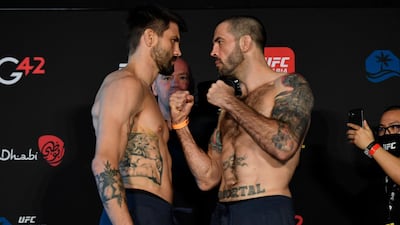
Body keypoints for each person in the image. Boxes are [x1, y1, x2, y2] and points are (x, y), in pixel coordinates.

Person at [169, 15, 314, 225]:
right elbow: (207, 178)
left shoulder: (288, 86)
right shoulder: (231, 107)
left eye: (219, 42)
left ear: (245, 43)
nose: (213, 52)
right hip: (222, 214)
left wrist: (229, 101)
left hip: (264, 209)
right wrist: (180, 124)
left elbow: (284, 145)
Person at [90, 4, 186, 225]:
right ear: (150, 37)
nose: (178, 51)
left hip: (154, 210)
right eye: (173, 40)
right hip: (135, 209)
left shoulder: (143, 91)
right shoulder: (125, 84)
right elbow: (103, 161)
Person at [152, 57, 219, 225]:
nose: (174, 84)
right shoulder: (141, 128)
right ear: (154, 87)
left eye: (182, 77)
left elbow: (208, 180)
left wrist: (180, 124)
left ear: (190, 85)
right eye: (167, 78)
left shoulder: (209, 126)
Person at [347, 105, 400, 225]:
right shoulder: (378, 164)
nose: (387, 133)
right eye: (382, 129)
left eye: (395, 126)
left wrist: (370, 146)